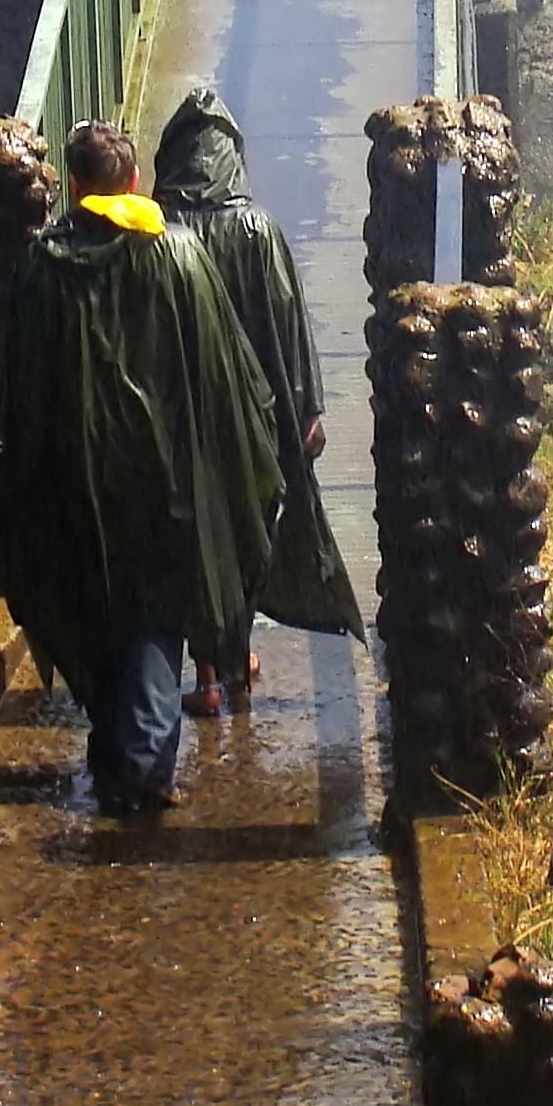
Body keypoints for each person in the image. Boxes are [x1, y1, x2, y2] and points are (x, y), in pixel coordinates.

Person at [0, 120, 283, 813]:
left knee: (95, 610)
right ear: (134, 184)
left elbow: (18, 385)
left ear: (77, 185)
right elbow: (226, 378)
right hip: (163, 484)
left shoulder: (42, 265)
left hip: (71, 482)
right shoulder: (178, 258)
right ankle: (142, 769)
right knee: (153, 620)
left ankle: (126, 752)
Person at [153, 89, 363, 716]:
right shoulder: (258, 229)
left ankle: (208, 673)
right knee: (246, 534)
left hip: (177, 417)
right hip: (254, 418)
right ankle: (237, 656)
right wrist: (309, 410)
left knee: (192, 538)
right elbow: (287, 326)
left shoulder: (157, 231)